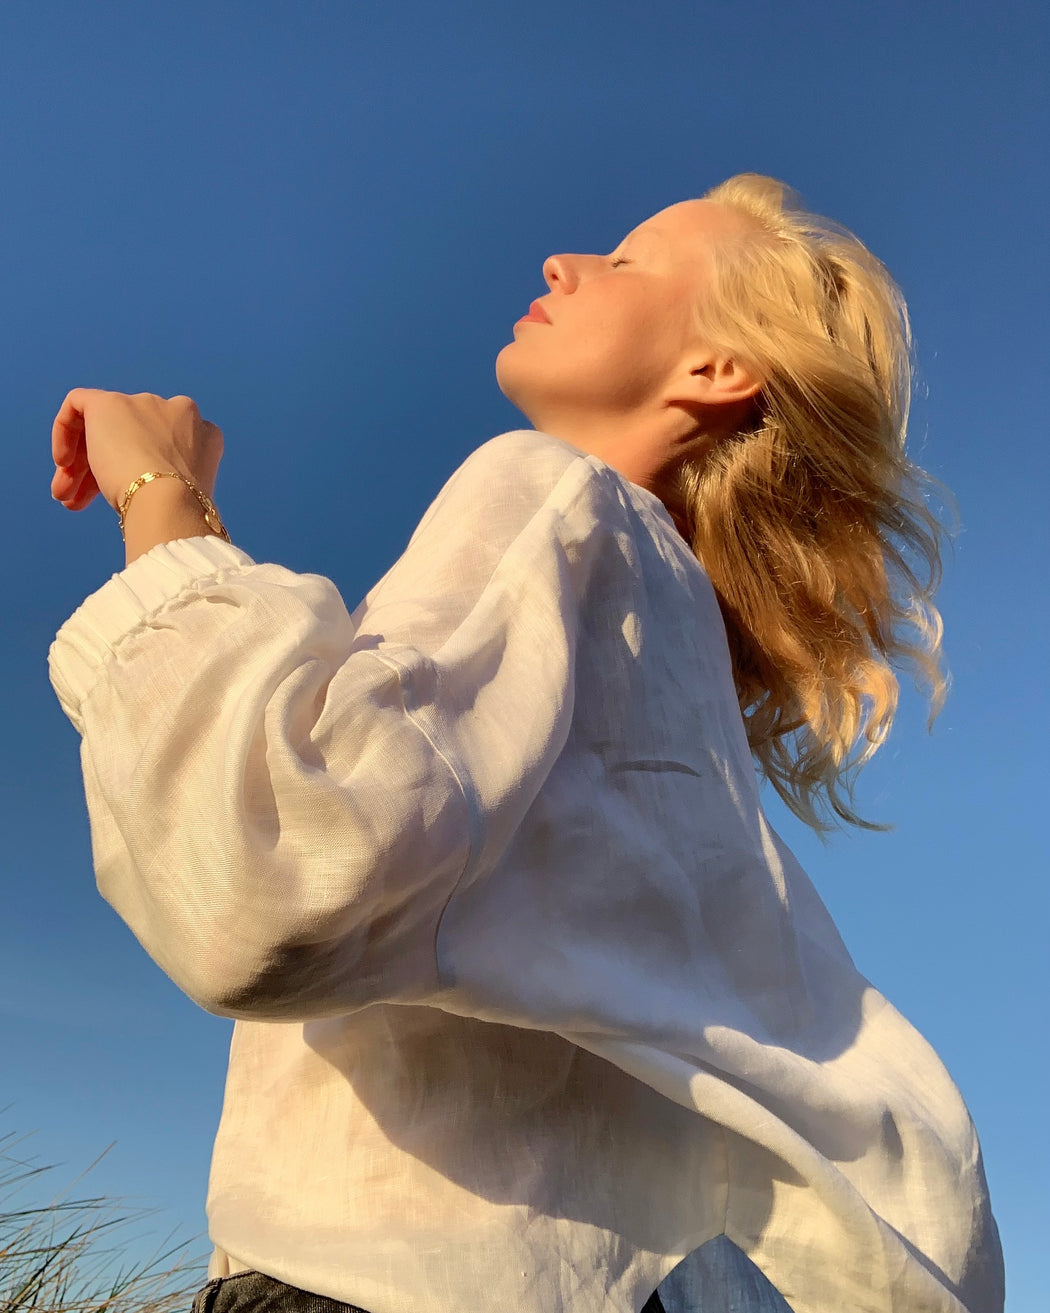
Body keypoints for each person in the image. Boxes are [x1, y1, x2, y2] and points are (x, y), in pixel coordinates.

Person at [48, 173, 1004, 1313]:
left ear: (716, 370)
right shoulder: (679, 706)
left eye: (631, 261)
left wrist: (159, 498)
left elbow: (273, 873)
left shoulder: (552, 493)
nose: (564, 262)